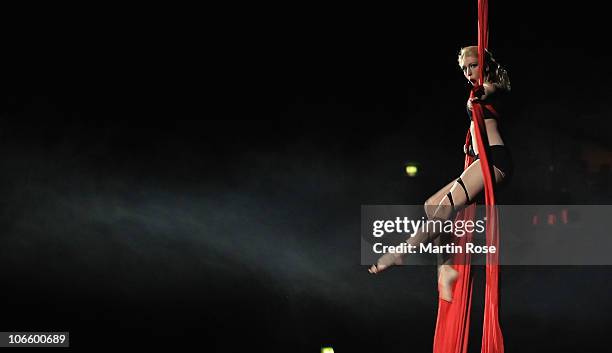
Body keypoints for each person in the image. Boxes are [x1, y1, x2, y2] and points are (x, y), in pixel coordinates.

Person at [368, 46, 513, 302]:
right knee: (432, 205)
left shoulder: (493, 86)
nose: (469, 73)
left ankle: (402, 251)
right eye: (465, 69)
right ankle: (445, 267)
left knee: (445, 207)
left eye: (473, 66)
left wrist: (480, 94)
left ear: (486, 65)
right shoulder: (477, 89)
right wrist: (470, 143)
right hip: (481, 159)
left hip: (494, 162)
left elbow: (488, 91)